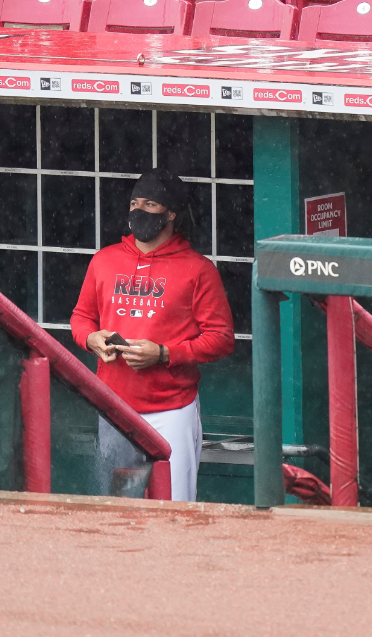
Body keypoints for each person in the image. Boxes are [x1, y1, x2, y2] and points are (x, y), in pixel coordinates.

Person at [71, 168, 235, 501]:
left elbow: (221, 338)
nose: (139, 211)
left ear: (171, 213)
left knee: (175, 506)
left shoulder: (198, 270)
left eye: (149, 203)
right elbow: (81, 317)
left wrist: (163, 353)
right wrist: (91, 340)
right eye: (134, 203)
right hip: (114, 405)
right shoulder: (104, 260)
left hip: (172, 408)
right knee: (115, 508)